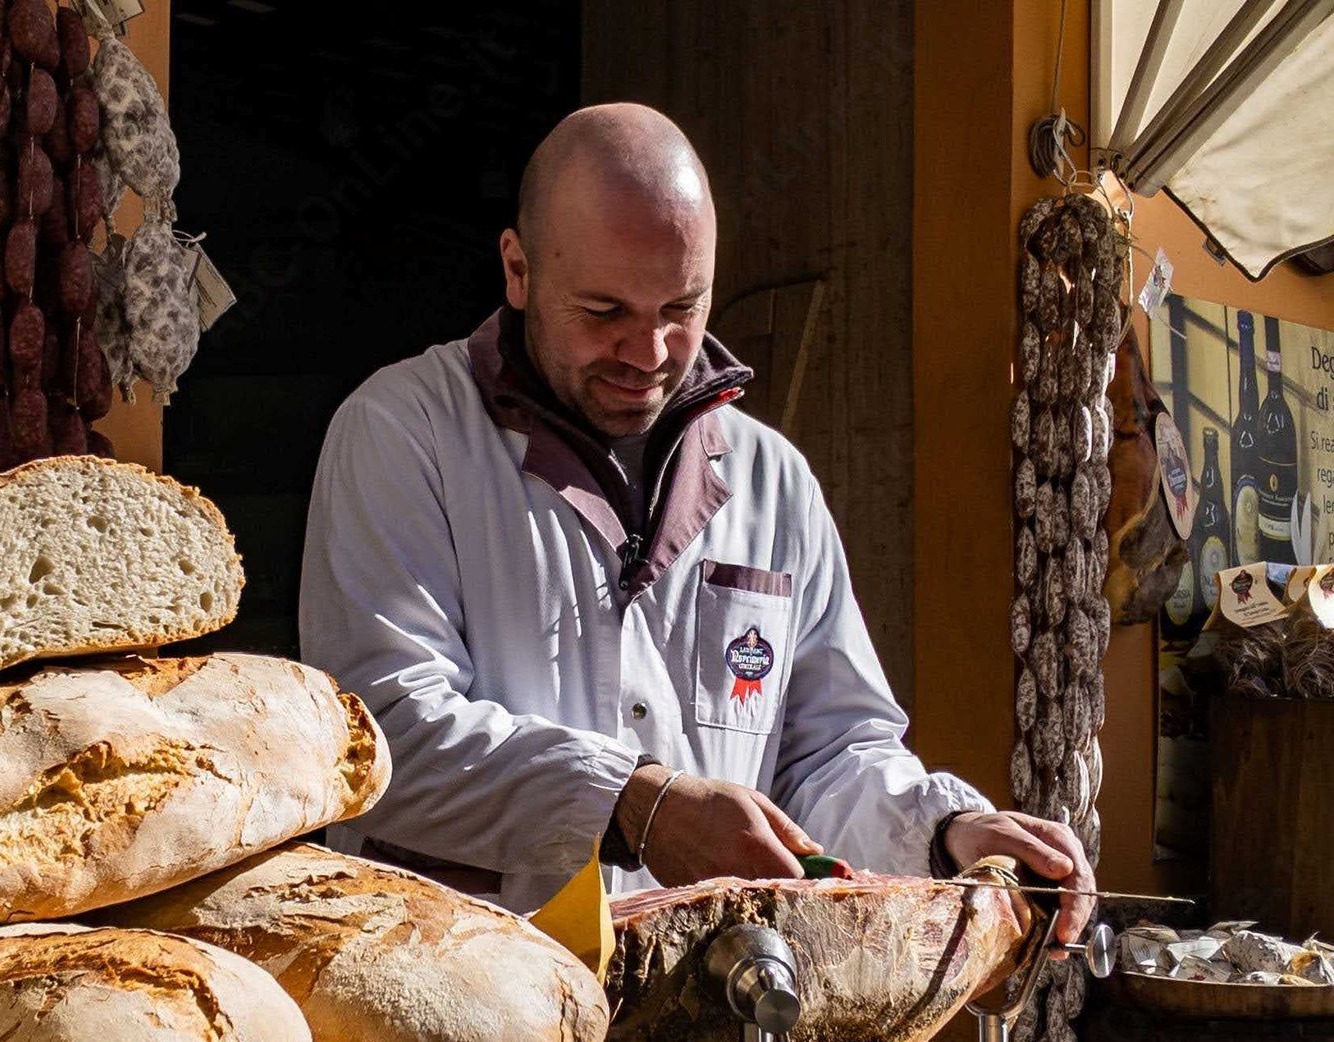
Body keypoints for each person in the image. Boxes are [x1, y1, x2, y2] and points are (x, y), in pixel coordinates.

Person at [299, 103, 1095, 945]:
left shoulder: (775, 480)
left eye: (682, 307)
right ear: (518, 269)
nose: (647, 354)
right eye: (604, 312)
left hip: (714, 1008)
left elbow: (831, 753)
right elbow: (377, 736)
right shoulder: (401, 432)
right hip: (463, 994)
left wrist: (942, 831)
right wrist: (634, 803)